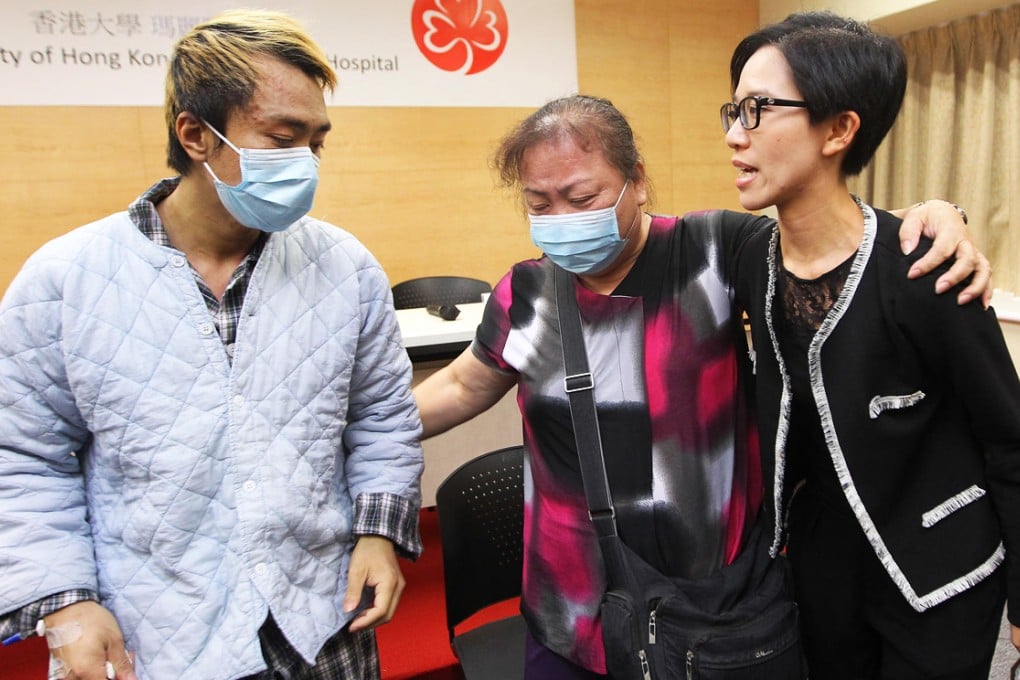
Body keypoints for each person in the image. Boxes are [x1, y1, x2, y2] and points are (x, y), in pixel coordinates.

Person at [413, 93, 987, 678]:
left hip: (713, 612)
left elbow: (833, 247)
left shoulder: (713, 251)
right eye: (540, 203)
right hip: (572, 605)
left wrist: (935, 215)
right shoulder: (527, 293)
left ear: (636, 181)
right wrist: (360, 431)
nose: (561, 220)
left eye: (582, 198)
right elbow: (463, 385)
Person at [0, 10, 423, 680]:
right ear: (196, 134)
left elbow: (381, 417)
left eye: (315, 142)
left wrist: (376, 532)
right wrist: (67, 603)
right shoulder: (64, 280)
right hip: (154, 633)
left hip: (320, 618)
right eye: (282, 138)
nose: (304, 163)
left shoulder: (346, 269)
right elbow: (21, 459)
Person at [724, 12, 1020, 679]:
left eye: (757, 111)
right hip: (824, 570)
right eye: (732, 111)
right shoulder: (752, 262)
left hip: (940, 573)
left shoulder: (926, 268)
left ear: (839, 129)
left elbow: (1010, 440)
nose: (734, 136)